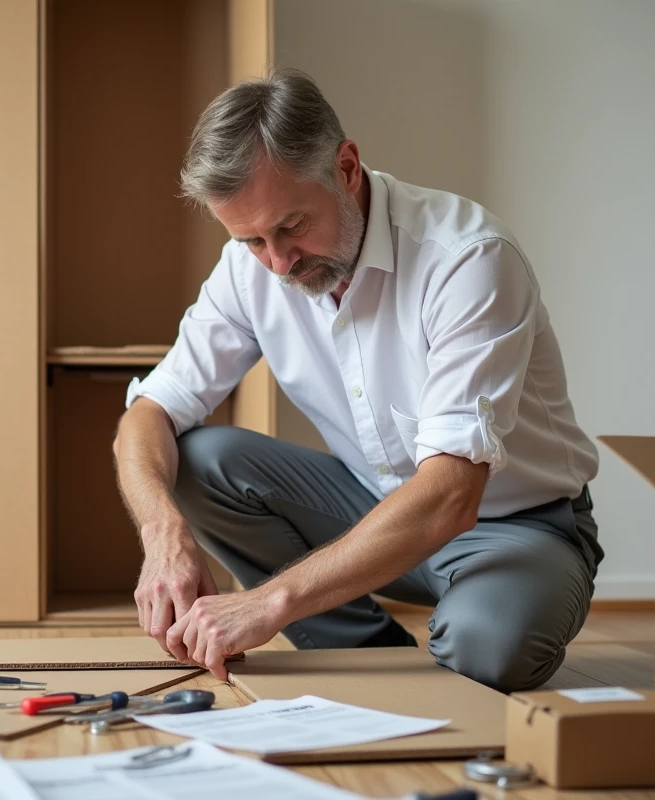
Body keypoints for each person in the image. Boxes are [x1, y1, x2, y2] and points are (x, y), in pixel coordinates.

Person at [112, 68, 602, 693]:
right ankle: (367, 656)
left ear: (346, 167)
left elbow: (452, 494)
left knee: (486, 649)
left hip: (517, 526)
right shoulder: (250, 266)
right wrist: (163, 533)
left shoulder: (466, 259)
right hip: (373, 507)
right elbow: (148, 413)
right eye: (252, 239)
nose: (279, 263)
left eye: (291, 226)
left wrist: (268, 602)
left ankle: (458, 629)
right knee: (199, 458)